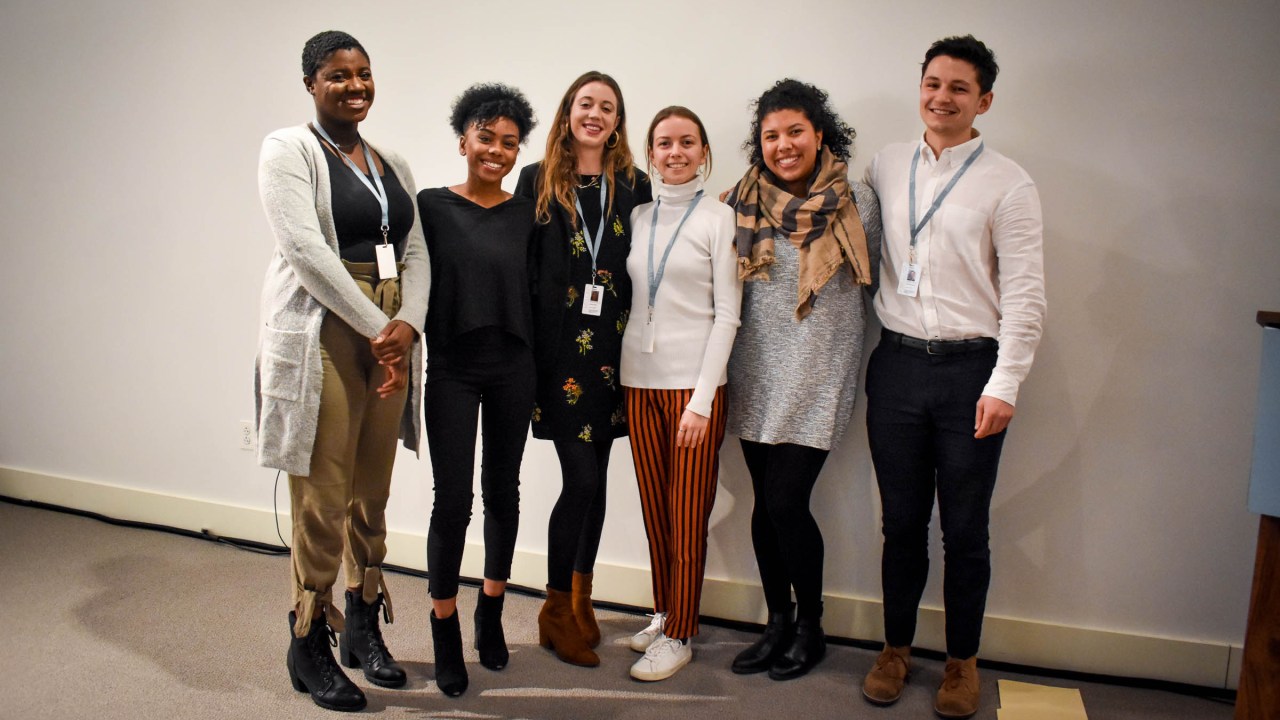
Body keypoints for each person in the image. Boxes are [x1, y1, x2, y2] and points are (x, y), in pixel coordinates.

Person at [860, 35, 1045, 719]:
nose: (941, 98)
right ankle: (895, 649)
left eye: (958, 89)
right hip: (898, 366)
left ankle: (962, 663)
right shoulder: (885, 164)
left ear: (984, 101)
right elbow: (826, 204)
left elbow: (1027, 296)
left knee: (964, 530)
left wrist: (1005, 384)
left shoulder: (1009, 183)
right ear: (921, 88)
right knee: (900, 524)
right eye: (932, 83)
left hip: (972, 372)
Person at [255, 30, 429, 713]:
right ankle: (308, 639)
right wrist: (378, 327)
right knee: (322, 490)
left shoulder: (393, 162)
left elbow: (414, 249)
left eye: (363, 74)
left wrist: (407, 325)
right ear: (311, 84)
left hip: (387, 332)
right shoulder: (286, 150)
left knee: (372, 488)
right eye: (337, 75)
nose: (354, 85)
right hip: (325, 327)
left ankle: (361, 624)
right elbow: (303, 248)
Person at [724, 79, 881, 682]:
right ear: (758, 143)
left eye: (795, 132)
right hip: (755, 367)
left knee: (788, 501)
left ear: (820, 134)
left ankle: (812, 626)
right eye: (771, 135)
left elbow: (881, 283)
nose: (784, 144)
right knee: (766, 506)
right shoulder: (738, 201)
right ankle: (778, 623)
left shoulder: (857, 201)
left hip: (820, 370)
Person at [514, 71, 651, 667]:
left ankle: (580, 595)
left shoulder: (636, 186)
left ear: (618, 121)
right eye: (585, 103)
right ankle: (552, 607)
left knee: (596, 485)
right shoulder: (535, 181)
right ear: (568, 111)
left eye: (608, 107)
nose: (595, 114)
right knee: (583, 482)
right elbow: (518, 269)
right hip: (560, 353)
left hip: (615, 355)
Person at [418, 83, 538, 697]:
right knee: (452, 502)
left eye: (509, 142)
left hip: (515, 366)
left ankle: (490, 610)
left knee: (503, 492)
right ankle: (444, 627)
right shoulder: (431, 205)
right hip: (454, 370)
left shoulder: (528, 211)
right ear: (463, 138)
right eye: (485, 137)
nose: (496, 150)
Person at [621, 107, 742, 681]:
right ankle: (664, 612)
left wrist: (700, 402)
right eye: (664, 143)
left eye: (686, 143)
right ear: (650, 153)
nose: (675, 153)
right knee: (655, 513)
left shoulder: (720, 218)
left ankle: (682, 634)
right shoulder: (638, 216)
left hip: (694, 391)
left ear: (703, 151)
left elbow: (727, 318)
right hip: (638, 384)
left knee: (688, 514)